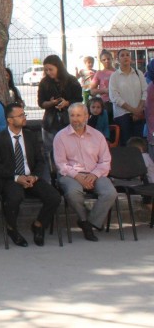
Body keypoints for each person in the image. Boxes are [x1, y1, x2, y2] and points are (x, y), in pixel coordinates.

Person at [0, 103, 61, 247]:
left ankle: (39, 224)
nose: (24, 117)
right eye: (20, 115)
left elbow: (40, 161)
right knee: (14, 197)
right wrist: (16, 177)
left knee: (54, 197)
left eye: (24, 114)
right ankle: (12, 228)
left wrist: (34, 176)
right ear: (9, 120)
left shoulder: (30, 136)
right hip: (10, 179)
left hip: (30, 177)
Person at [53, 103, 116, 242]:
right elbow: (61, 164)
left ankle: (89, 223)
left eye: (79, 115)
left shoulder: (97, 136)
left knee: (110, 193)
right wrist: (78, 177)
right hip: (70, 174)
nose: (75, 119)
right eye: (72, 115)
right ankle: (84, 219)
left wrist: (94, 175)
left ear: (86, 116)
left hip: (95, 173)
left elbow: (105, 161)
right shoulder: (61, 136)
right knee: (73, 193)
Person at [38, 54, 82, 172]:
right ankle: (53, 173)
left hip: (68, 120)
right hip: (50, 120)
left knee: (70, 148)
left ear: (58, 67)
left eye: (51, 69)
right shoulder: (44, 82)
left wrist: (67, 103)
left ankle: (71, 172)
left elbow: (79, 99)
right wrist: (51, 103)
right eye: (46, 70)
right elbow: (41, 103)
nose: (48, 72)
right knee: (50, 148)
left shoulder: (71, 80)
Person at [109, 48, 146, 145]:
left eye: (127, 55)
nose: (125, 57)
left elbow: (145, 91)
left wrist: (139, 110)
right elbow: (114, 97)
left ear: (131, 58)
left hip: (139, 114)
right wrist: (133, 110)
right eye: (122, 55)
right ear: (118, 59)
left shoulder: (138, 73)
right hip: (122, 115)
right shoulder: (114, 76)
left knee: (139, 143)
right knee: (126, 144)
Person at [90, 50, 115, 117]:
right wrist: (104, 90)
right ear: (101, 61)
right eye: (104, 60)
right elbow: (92, 91)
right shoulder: (99, 73)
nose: (106, 61)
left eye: (108, 59)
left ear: (112, 59)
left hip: (118, 103)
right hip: (105, 103)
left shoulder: (118, 72)